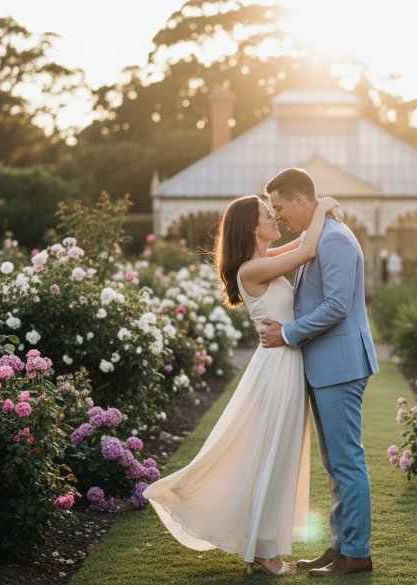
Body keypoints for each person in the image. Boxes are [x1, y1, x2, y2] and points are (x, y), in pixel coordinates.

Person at [144, 193, 339, 576]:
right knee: (273, 455)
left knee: (278, 456)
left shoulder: (262, 260)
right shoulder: (250, 270)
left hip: (285, 363)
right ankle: (262, 553)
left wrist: (321, 212)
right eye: (269, 214)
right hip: (278, 368)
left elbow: (301, 243)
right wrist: (323, 207)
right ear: (252, 225)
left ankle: (261, 550)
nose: (277, 219)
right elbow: (308, 248)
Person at [259, 167, 379, 577]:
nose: (277, 218)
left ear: (299, 200)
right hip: (326, 366)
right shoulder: (318, 236)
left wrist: (287, 333)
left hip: (341, 366)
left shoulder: (336, 239)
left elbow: (336, 307)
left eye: (279, 208)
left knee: (346, 462)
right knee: (335, 464)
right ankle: (339, 545)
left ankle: (357, 553)